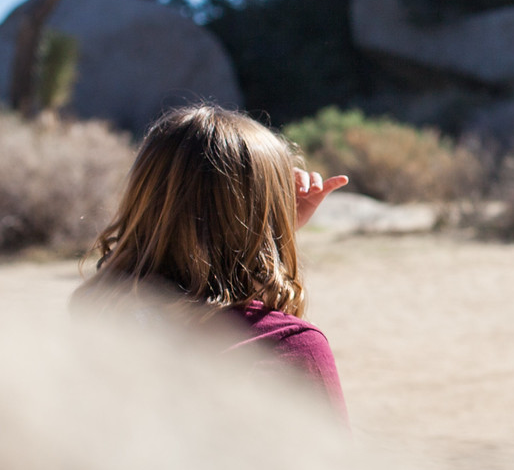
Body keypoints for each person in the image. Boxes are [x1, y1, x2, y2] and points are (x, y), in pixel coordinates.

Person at [74, 104, 351, 421]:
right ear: (268, 215)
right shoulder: (290, 347)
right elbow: (328, 468)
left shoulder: (100, 320)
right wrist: (275, 238)